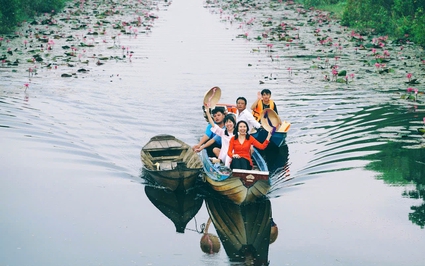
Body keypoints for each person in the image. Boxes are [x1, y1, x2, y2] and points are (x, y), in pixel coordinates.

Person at [196, 103, 236, 167]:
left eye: (219, 115)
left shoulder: (237, 133)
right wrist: (200, 147)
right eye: (214, 116)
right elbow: (211, 137)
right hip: (224, 151)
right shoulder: (223, 132)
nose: (216, 117)